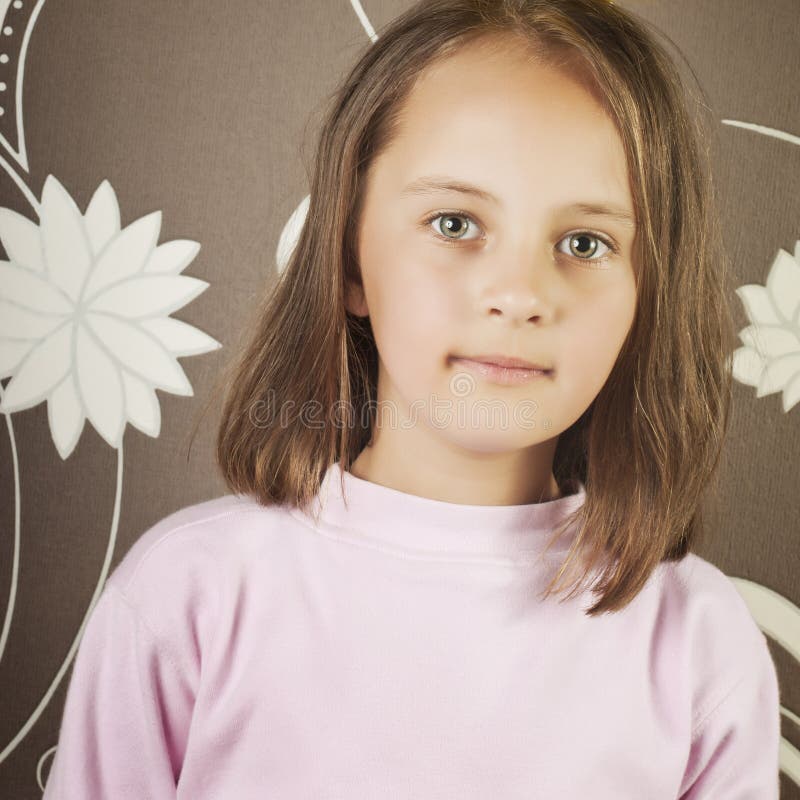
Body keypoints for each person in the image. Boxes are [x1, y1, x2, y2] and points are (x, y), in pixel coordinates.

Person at [43, 0, 781, 797]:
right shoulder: (188, 598)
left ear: (648, 293)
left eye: (584, 243)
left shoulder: (699, 643)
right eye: (455, 222)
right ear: (351, 261)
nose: (519, 293)